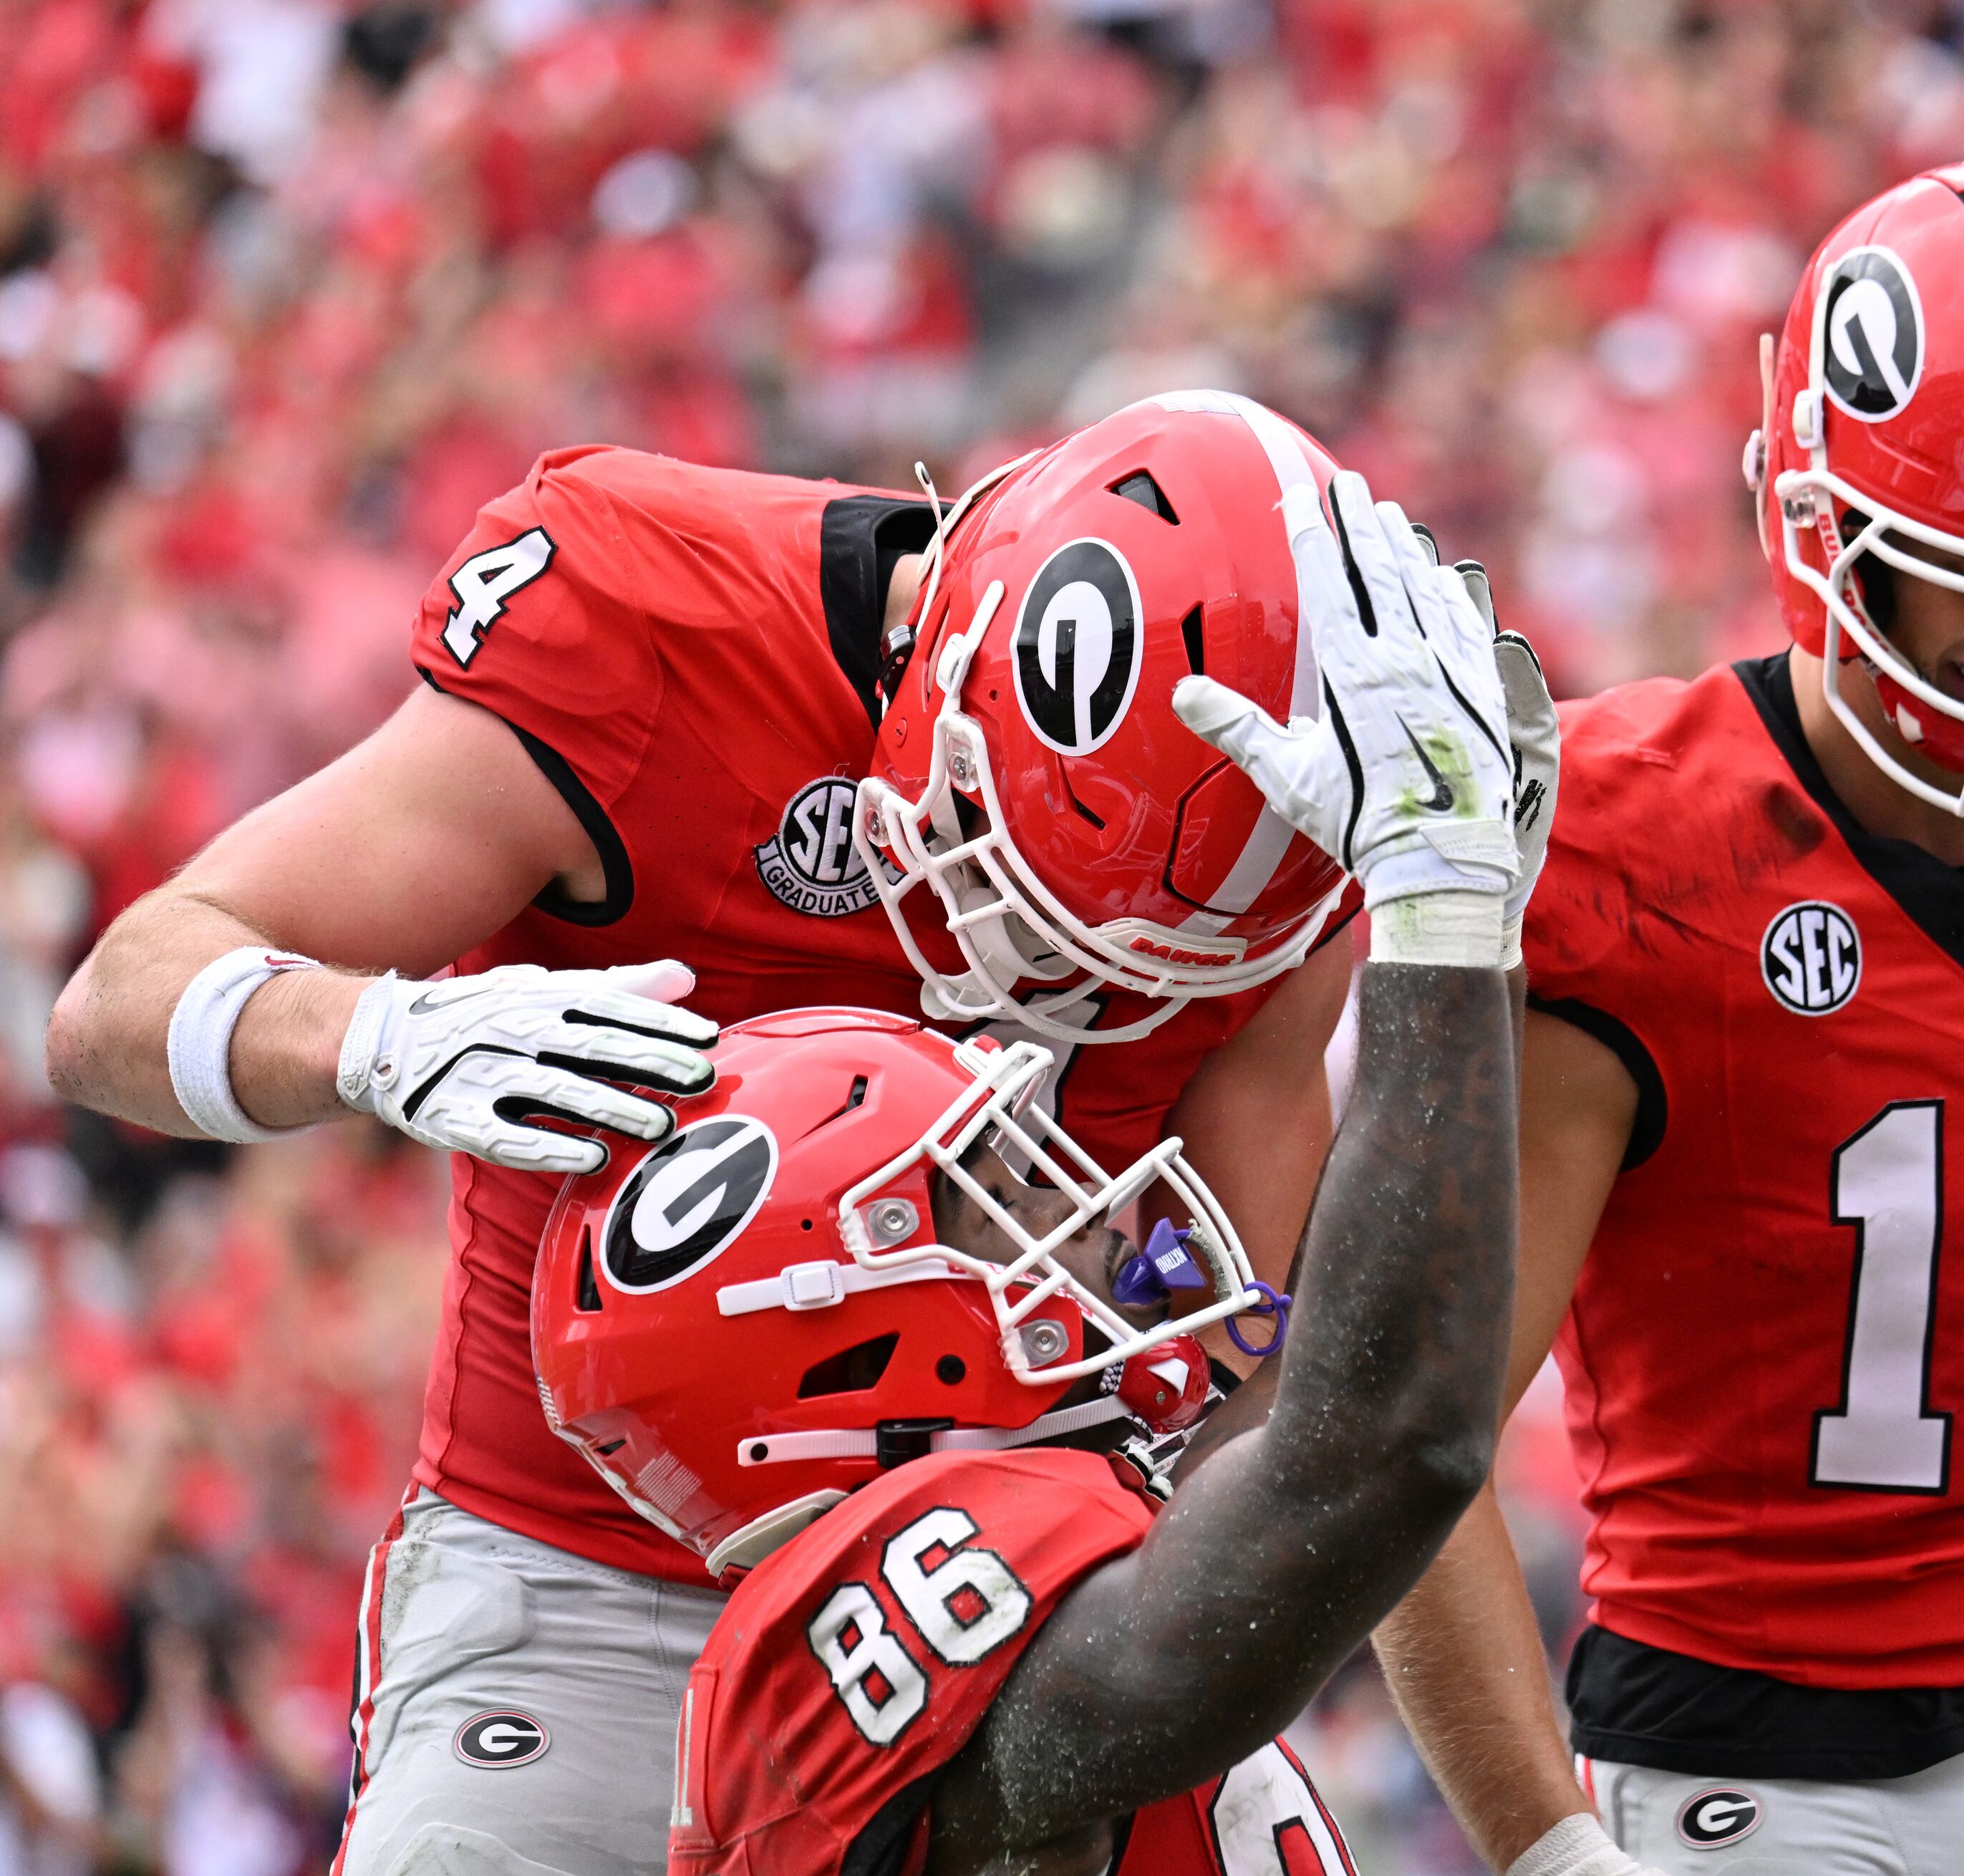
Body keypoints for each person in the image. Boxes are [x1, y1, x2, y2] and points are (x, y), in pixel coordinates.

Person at [39, 394, 1421, 1876]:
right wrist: (379, 1034)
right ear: (953, 660)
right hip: (584, 1572)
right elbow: (116, 1001)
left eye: (1118, 967)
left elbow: (1259, 1370)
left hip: (1019, 1595)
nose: (1035, 984)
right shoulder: (657, 624)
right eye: (1005, 883)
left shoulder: (1297, 824)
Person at [1373, 158, 1964, 1876]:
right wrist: (1542, 1844)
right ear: (1827, 524)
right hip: (1758, 1758)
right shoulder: (1630, 845)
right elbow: (1395, 1447)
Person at [530, 467, 1537, 1876]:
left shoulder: (1062, 1496)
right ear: (846, 1329)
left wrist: (1471, 930)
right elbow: (1377, 1447)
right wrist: (1437, 920)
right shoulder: (839, 1642)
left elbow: (1301, 1356)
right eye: (999, 1178)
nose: (1095, 1203)